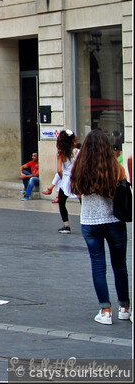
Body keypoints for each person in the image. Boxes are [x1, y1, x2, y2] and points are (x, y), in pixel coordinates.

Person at [70, 129, 130, 325]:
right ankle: (125, 308)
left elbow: (75, 191)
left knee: (98, 265)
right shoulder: (116, 168)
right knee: (119, 265)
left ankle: (105, 311)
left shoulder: (80, 168)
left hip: (90, 221)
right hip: (114, 221)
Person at [54, 130, 79, 234]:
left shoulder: (61, 153)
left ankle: (66, 225)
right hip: (77, 177)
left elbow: (59, 170)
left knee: (62, 202)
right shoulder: (78, 152)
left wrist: (62, 177)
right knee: (82, 199)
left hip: (66, 179)